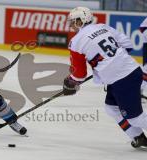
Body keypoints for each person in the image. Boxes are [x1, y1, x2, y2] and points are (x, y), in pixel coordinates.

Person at [63, 7, 147, 148]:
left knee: (135, 118)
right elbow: (127, 44)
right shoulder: (102, 26)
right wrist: (113, 59)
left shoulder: (76, 41)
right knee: (111, 108)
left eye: (74, 21)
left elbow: (79, 74)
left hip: (122, 78)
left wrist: (70, 82)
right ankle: (138, 137)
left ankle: (138, 134)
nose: (71, 24)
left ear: (82, 20)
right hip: (129, 72)